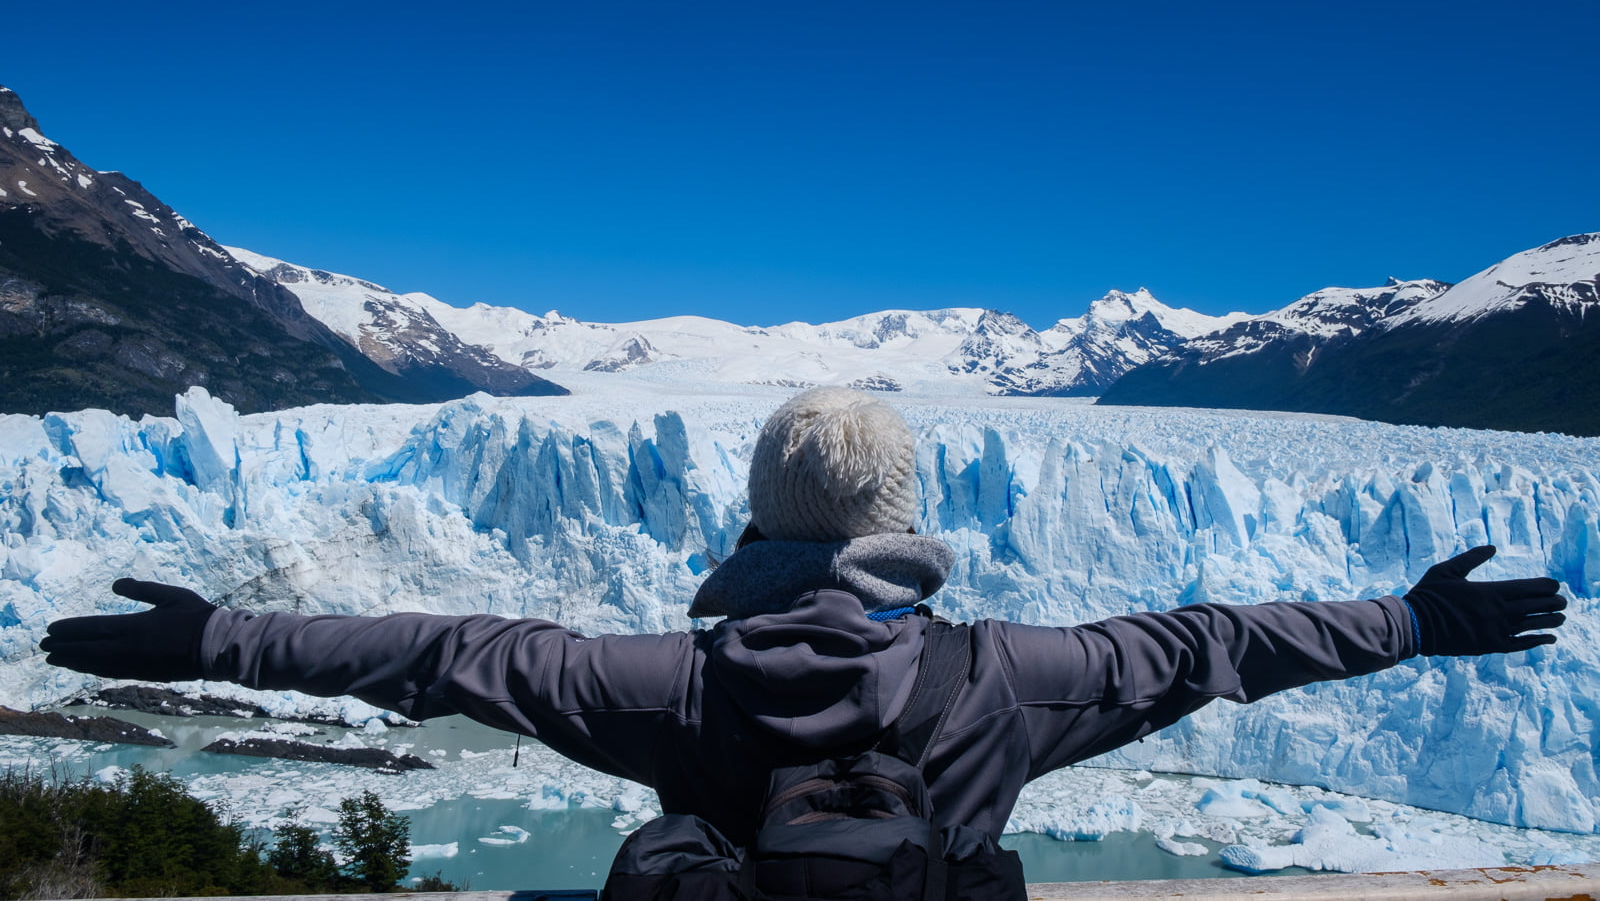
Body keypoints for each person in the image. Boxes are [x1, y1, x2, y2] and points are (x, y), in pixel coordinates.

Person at [40, 387, 1567, 896]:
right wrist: (1416, 621)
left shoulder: (656, 685)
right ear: (905, 524)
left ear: (757, 524)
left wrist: (219, 636)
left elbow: (445, 653)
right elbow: (1215, 643)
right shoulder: (1016, 679)